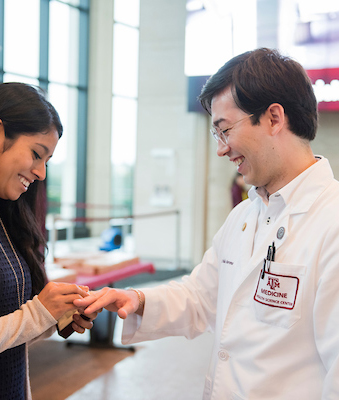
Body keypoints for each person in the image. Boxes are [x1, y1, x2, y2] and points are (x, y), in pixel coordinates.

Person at [74, 48, 339, 399]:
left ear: (274, 118)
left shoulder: (331, 221)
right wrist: (135, 299)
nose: (221, 149)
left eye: (225, 130)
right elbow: (201, 296)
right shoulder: (244, 216)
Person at [0, 83, 98, 400]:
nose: (40, 172)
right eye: (36, 154)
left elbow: (5, 332)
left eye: (47, 162)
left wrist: (57, 316)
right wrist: (37, 314)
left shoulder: (4, 215)